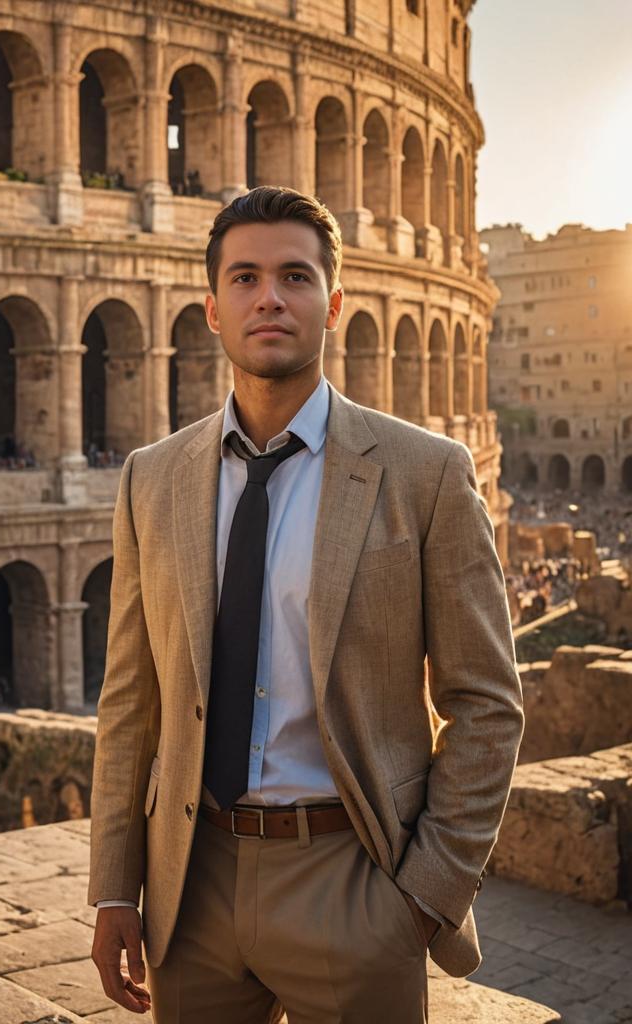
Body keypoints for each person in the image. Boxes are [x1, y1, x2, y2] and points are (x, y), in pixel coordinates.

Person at [88, 187, 525, 1023]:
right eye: (245, 278)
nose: (270, 298)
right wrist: (115, 887)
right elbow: (129, 701)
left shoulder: (424, 472)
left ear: (333, 304)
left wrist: (421, 898)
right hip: (193, 882)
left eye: (294, 276)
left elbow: (487, 705)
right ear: (212, 310)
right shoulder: (154, 475)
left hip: (349, 874)